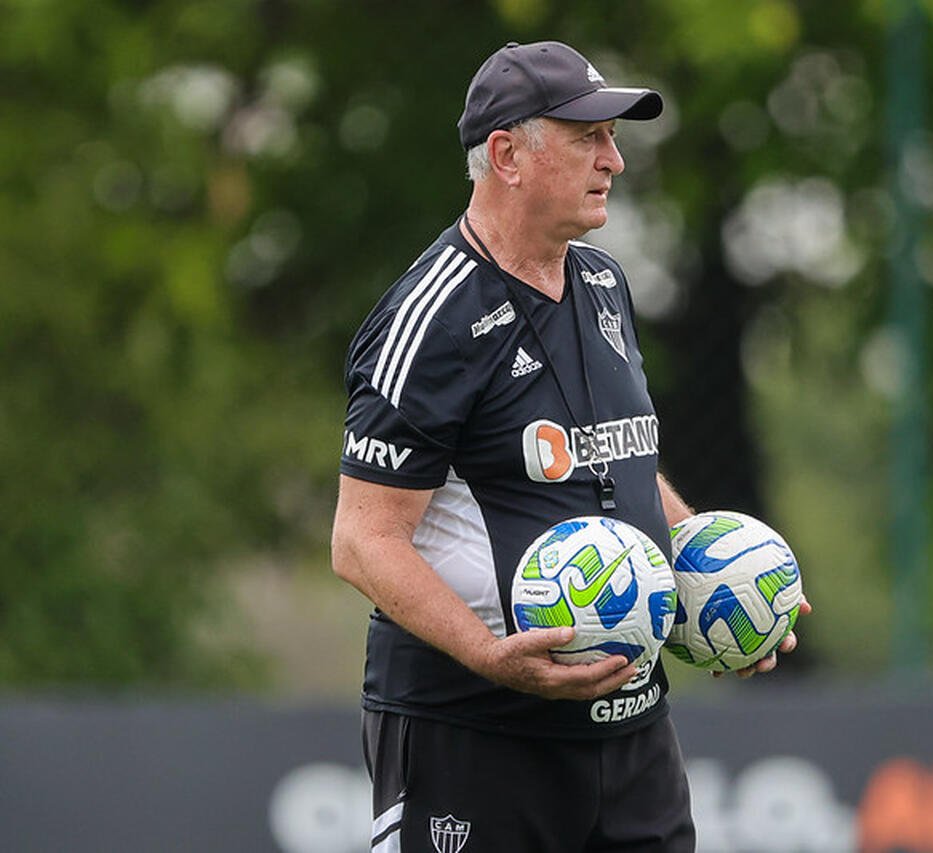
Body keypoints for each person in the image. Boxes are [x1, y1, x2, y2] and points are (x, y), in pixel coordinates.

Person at [331, 40, 809, 853]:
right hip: (475, 733)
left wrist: (714, 586)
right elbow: (362, 538)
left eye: (613, 138)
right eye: (590, 137)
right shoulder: (431, 317)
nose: (615, 160)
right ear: (509, 156)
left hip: (631, 736)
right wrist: (492, 655)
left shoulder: (602, 283)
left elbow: (620, 464)